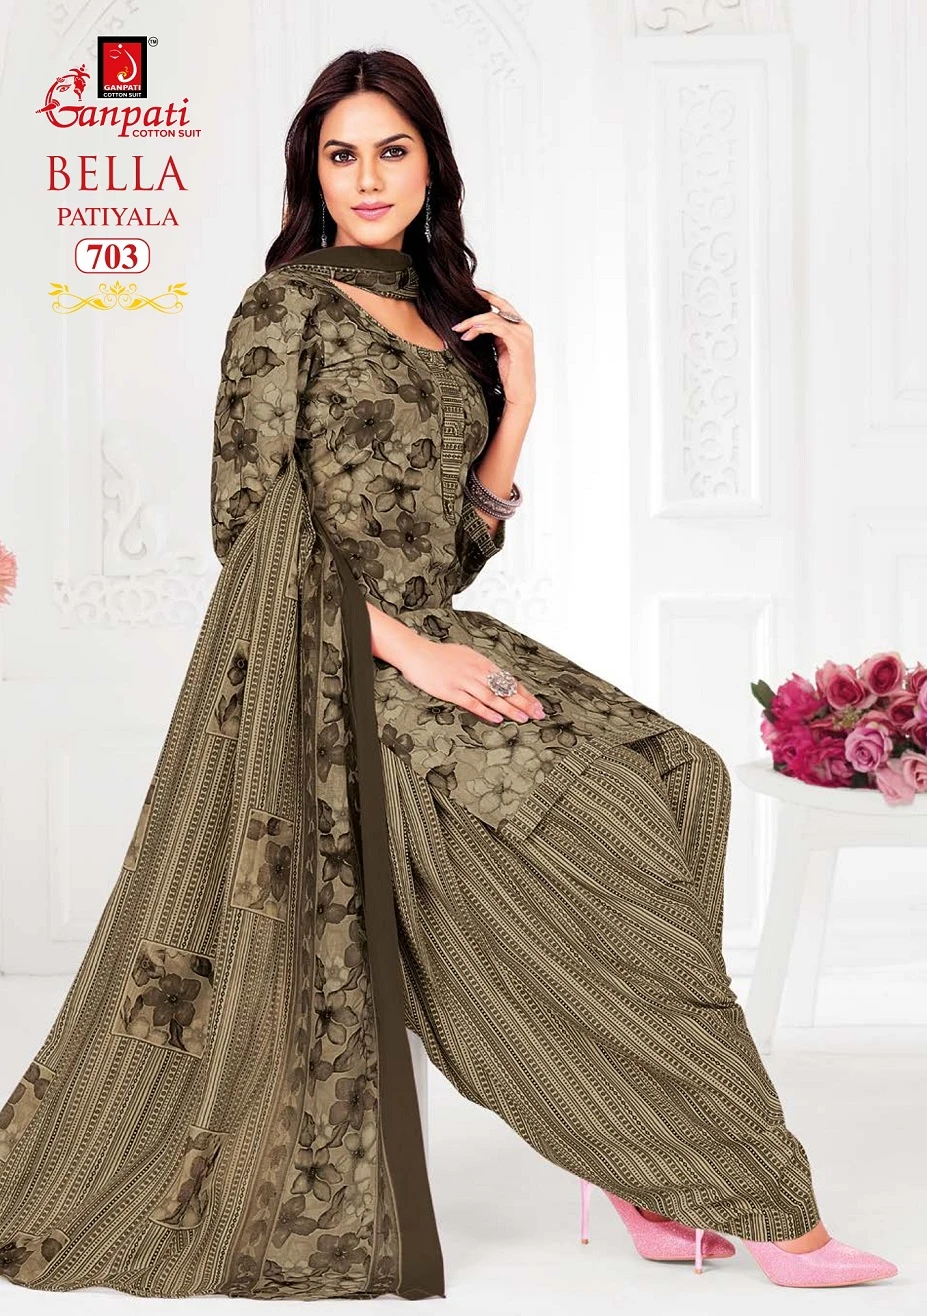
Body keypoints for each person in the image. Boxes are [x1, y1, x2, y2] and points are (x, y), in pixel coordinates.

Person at [0, 49, 897, 1300]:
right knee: (601, 814)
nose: (368, 178)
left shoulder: (443, 315)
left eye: (392, 150)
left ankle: (639, 1156)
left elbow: (457, 549)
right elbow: (244, 530)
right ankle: (760, 1200)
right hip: (336, 666)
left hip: (439, 631)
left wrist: (517, 408)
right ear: (314, 175)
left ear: (432, 165)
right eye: (342, 155)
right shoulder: (284, 310)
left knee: (682, 771)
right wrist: (411, 649)